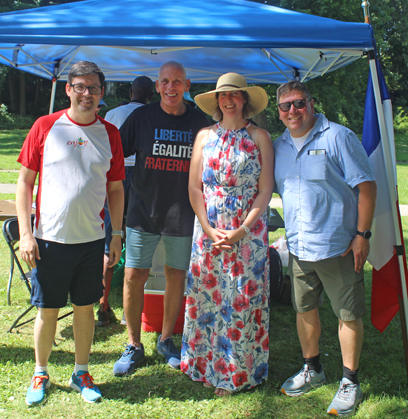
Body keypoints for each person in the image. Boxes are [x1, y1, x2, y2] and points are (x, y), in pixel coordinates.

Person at [16, 61, 125, 405]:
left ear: (102, 92)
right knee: (47, 310)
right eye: (79, 86)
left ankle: (81, 371)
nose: (86, 94)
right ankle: (40, 371)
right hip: (49, 239)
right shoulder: (46, 126)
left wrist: (117, 234)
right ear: (68, 89)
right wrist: (26, 233)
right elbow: (24, 183)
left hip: (91, 241)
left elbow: (117, 189)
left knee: (84, 308)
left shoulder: (110, 134)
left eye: (93, 88)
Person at [273, 81, 376, 417]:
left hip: (338, 247)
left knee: (347, 314)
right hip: (300, 247)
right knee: (305, 310)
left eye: (299, 103)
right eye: (286, 106)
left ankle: (350, 381)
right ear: (278, 112)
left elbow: (366, 186)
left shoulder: (338, 137)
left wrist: (362, 234)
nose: (293, 111)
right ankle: (312, 369)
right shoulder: (279, 146)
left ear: (311, 103)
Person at [113, 61, 209, 376]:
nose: (171, 87)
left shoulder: (200, 123)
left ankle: (167, 339)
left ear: (187, 85)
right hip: (142, 212)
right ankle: (134, 344)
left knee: (175, 276)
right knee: (133, 276)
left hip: (182, 213)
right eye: (165, 81)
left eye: (177, 82)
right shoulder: (140, 117)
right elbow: (115, 155)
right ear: (157, 86)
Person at [181, 73, 274, 396]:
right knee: (207, 298)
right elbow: (194, 186)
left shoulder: (260, 136)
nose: (229, 100)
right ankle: (201, 365)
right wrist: (208, 228)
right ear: (217, 101)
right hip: (209, 229)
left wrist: (242, 230)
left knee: (241, 300)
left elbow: (265, 190)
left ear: (244, 99)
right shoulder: (204, 136)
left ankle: (237, 371)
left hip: (247, 232)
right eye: (223, 95)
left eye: (235, 95)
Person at [96, 76, 155, 327]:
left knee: (110, 242)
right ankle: (143, 302)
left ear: (131, 92)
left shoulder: (112, 114)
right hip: (144, 177)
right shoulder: (153, 114)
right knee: (142, 240)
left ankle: (103, 305)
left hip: (114, 178)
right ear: (152, 95)